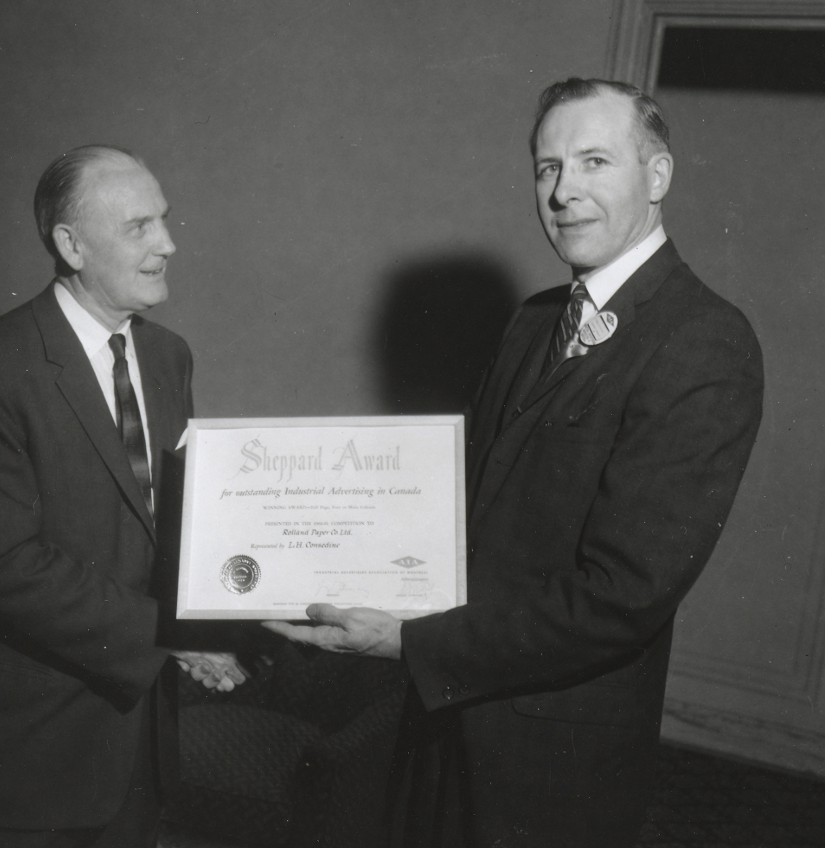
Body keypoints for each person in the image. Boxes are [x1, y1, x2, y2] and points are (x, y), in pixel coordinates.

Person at [265, 79, 764, 847]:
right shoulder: (535, 322)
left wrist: (407, 641)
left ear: (657, 176)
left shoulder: (703, 340)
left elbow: (622, 597)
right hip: (441, 720)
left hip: (551, 756)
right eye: (547, 167)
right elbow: (455, 506)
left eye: (595, 162)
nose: (564, 192)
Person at [0, 145, 247, 847]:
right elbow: (2, 566)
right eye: (140, 227)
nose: (168, 243)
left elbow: (170, 521)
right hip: (25, 748)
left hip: (138, 742)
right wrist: (173, 637)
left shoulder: (169, 356)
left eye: (164, 220)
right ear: (71, 244)